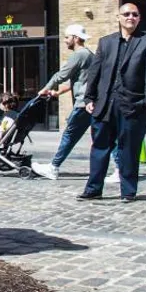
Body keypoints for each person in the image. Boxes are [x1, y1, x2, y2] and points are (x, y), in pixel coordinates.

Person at [78, 3, 146, 203]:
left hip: (133, 105)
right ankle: (93, 189)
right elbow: (94, 73)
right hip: (104, 105)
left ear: (139, 18)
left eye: (135, 14)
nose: (130, 17)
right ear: (118, 17)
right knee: (99, 148)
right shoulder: (105, 42)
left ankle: (128, 191)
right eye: (126, 14)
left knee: (129, 150)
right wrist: (89, 98)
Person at [32, 25, 94, 179]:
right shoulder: (89, 55)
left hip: (82, 103)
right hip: (90, 102)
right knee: (101, 136)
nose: (65, 41)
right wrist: (58, 92)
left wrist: (45, 88)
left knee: (69, 135)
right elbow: (79, 80)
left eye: (67, 37)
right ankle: (120, 169)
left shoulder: (79, 55)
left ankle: (53, 167)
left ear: (75, 38)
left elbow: (61, 75)